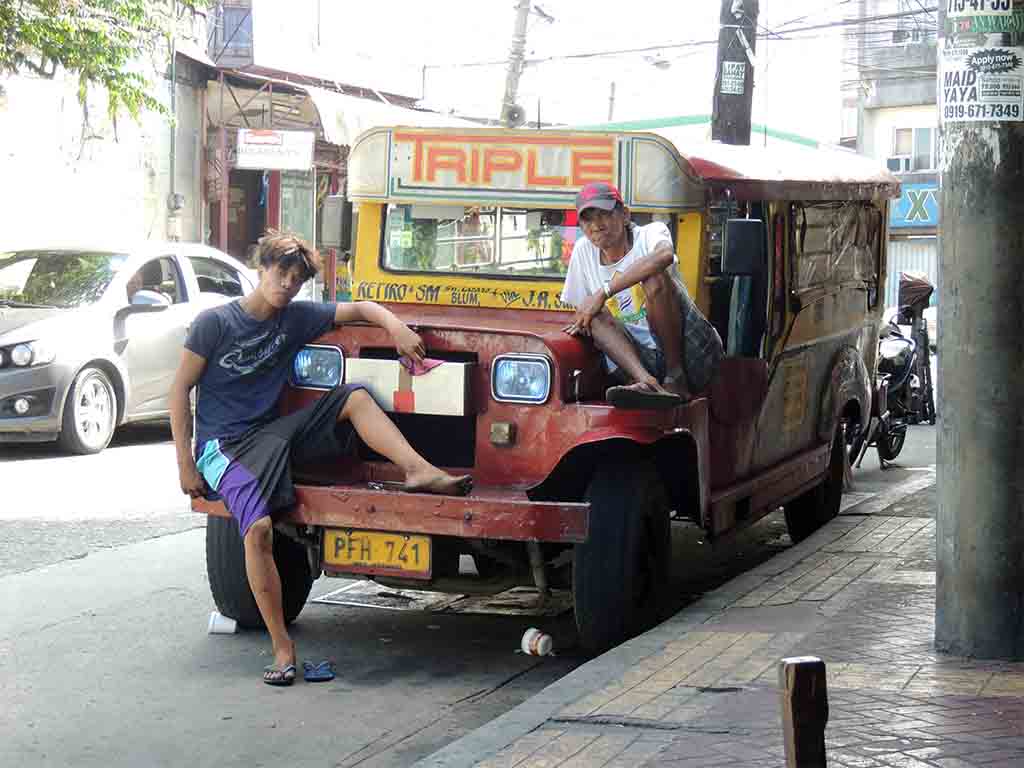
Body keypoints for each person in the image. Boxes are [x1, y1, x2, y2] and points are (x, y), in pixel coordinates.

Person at [169, 231, 472, 686]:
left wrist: (396, 329)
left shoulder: (296, 318)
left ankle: (417, 471)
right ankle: (283, 647)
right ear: (261, 268)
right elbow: (179, 389)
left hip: (270, 435)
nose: (287, 284)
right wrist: (184, 463)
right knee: (258, 530)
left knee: (353, 397)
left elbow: (361, 308)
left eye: (296, 278)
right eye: (280, 272)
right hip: (223, 447)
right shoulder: (215, 323)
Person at [561, 182, 723, 409]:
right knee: (593, 316)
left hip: (689, 351)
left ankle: (675, 377)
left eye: (604, 214)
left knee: (653, 277)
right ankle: (645, 382)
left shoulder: (651, 233)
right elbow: (582, 309)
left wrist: (604, 292)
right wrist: (586, 316)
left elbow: (664, 255)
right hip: (637, 358)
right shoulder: (582, 251)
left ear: (625, 215)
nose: (596, 225)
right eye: (587, 219)